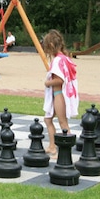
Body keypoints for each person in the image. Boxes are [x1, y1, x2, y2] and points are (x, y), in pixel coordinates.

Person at [41, 29, 79, 157]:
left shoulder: (58, 60)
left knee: (63, 123)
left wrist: (47, 83)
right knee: (48, 119)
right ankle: (52, 146)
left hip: (59, 95)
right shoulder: (65, 58)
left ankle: (64, 151)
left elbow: (59, 80)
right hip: (57, 95)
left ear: (51, 45)